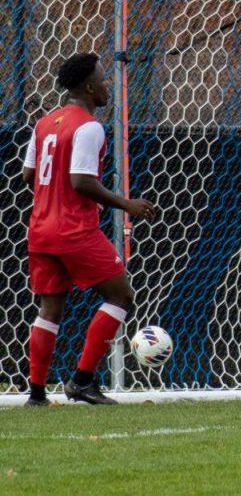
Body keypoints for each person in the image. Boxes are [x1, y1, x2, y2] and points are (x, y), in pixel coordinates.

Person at [21, 52, 157, 406]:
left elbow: (28, 175)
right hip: (73, 229)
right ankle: (82, 380)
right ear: (90, 87)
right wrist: (127, 204)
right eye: (104, 79)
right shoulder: (89, 125)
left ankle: (36, 394)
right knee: (121, 295)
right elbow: (81, 181)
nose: (107, 85)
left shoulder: (44, 123)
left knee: (50, 309)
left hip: (40, 229)